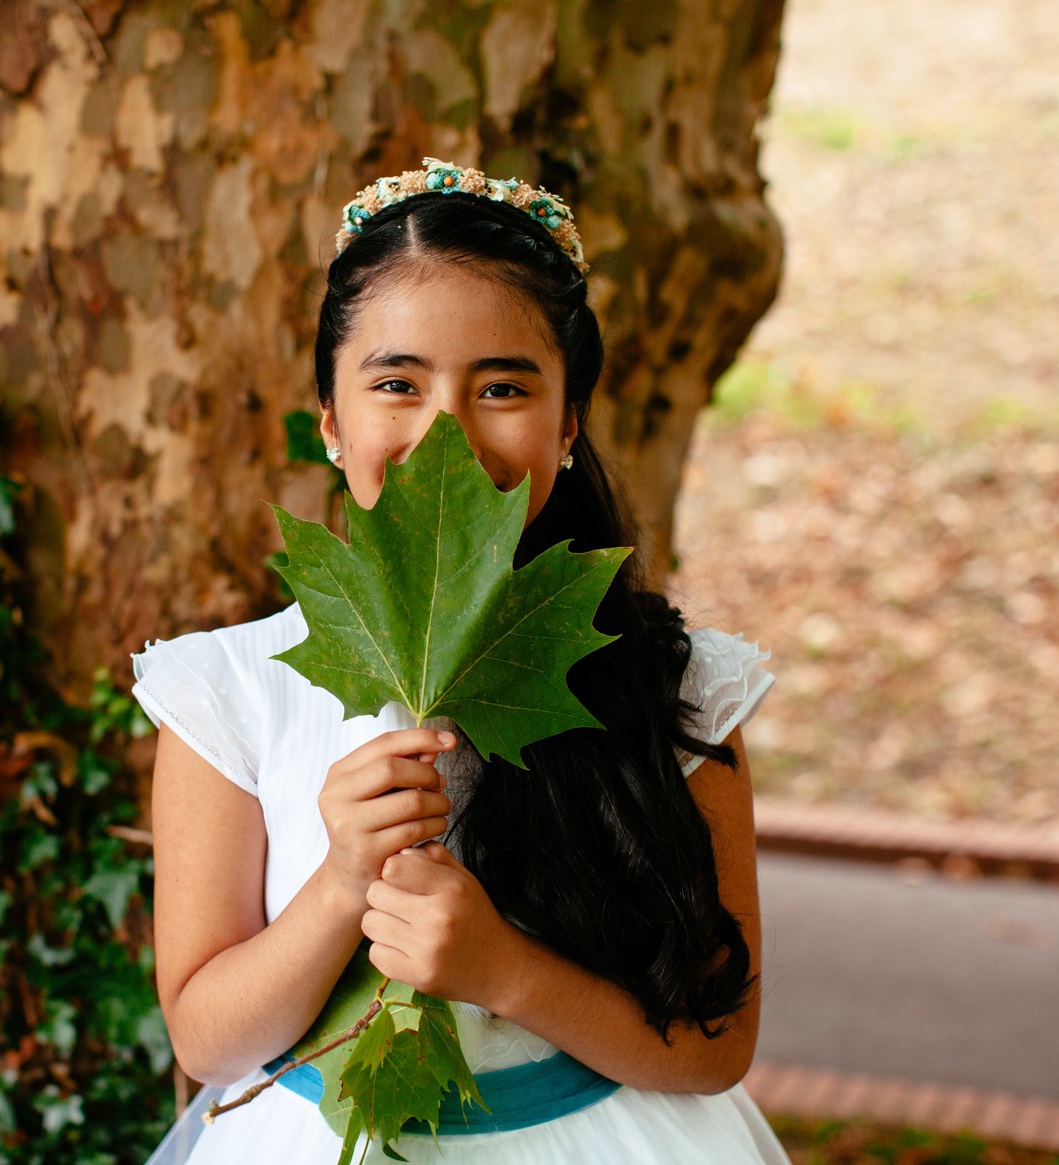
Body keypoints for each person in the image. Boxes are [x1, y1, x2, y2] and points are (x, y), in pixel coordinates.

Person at [130, 158, 791, 1164]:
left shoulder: (676, 689)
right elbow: (209, 1039)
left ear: (568, 425)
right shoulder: (231, 694)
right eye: (396, 382)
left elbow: (713, 1044)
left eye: (502, 385)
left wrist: (504, 970)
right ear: (329, 422)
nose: (446, 430)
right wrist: (342, 880)